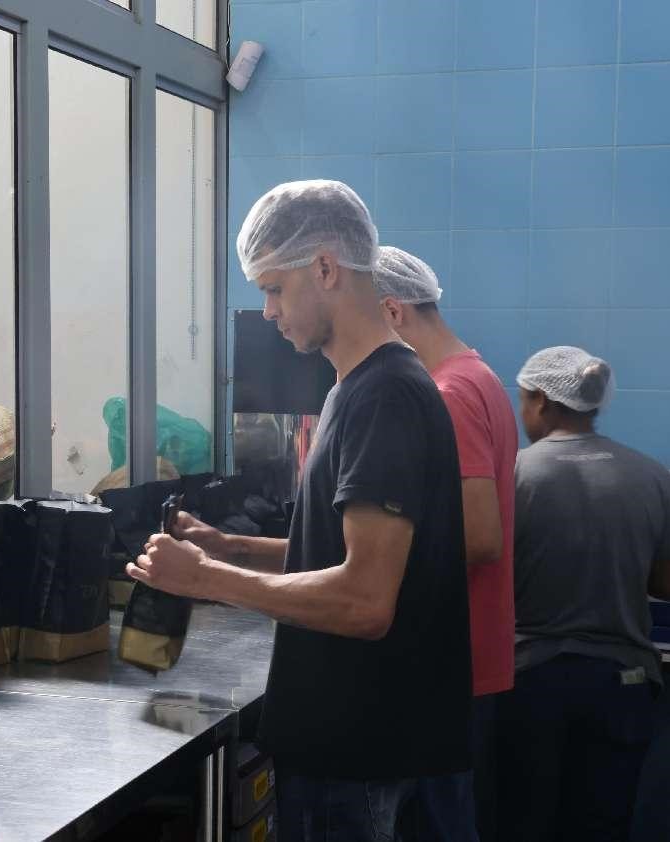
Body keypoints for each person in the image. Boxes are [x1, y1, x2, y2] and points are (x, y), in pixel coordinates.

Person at [125, 180, 472, 842]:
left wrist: (205, 579)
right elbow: (347, 552)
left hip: (358, 755)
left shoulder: (384, 397)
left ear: (325, 268)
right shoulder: (356, 389)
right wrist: (230, 547)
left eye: (274, 289)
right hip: (368, 744)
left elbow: (364, 601)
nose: (267, 312)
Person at [497, 346, 670, 842]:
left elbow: (484, 569)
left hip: (530, 680)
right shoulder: (651, 474)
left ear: (541, 401)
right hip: (622, 682)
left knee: (522, 823)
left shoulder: (514, 474)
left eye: (522, 400)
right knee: (602, 825)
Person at [373, 246, 518, 842]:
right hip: (468, 654)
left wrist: (374, 563)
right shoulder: (478, 376)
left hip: (449, 661)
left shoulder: (449, 392)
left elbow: (480, 537)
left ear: (393, 312)